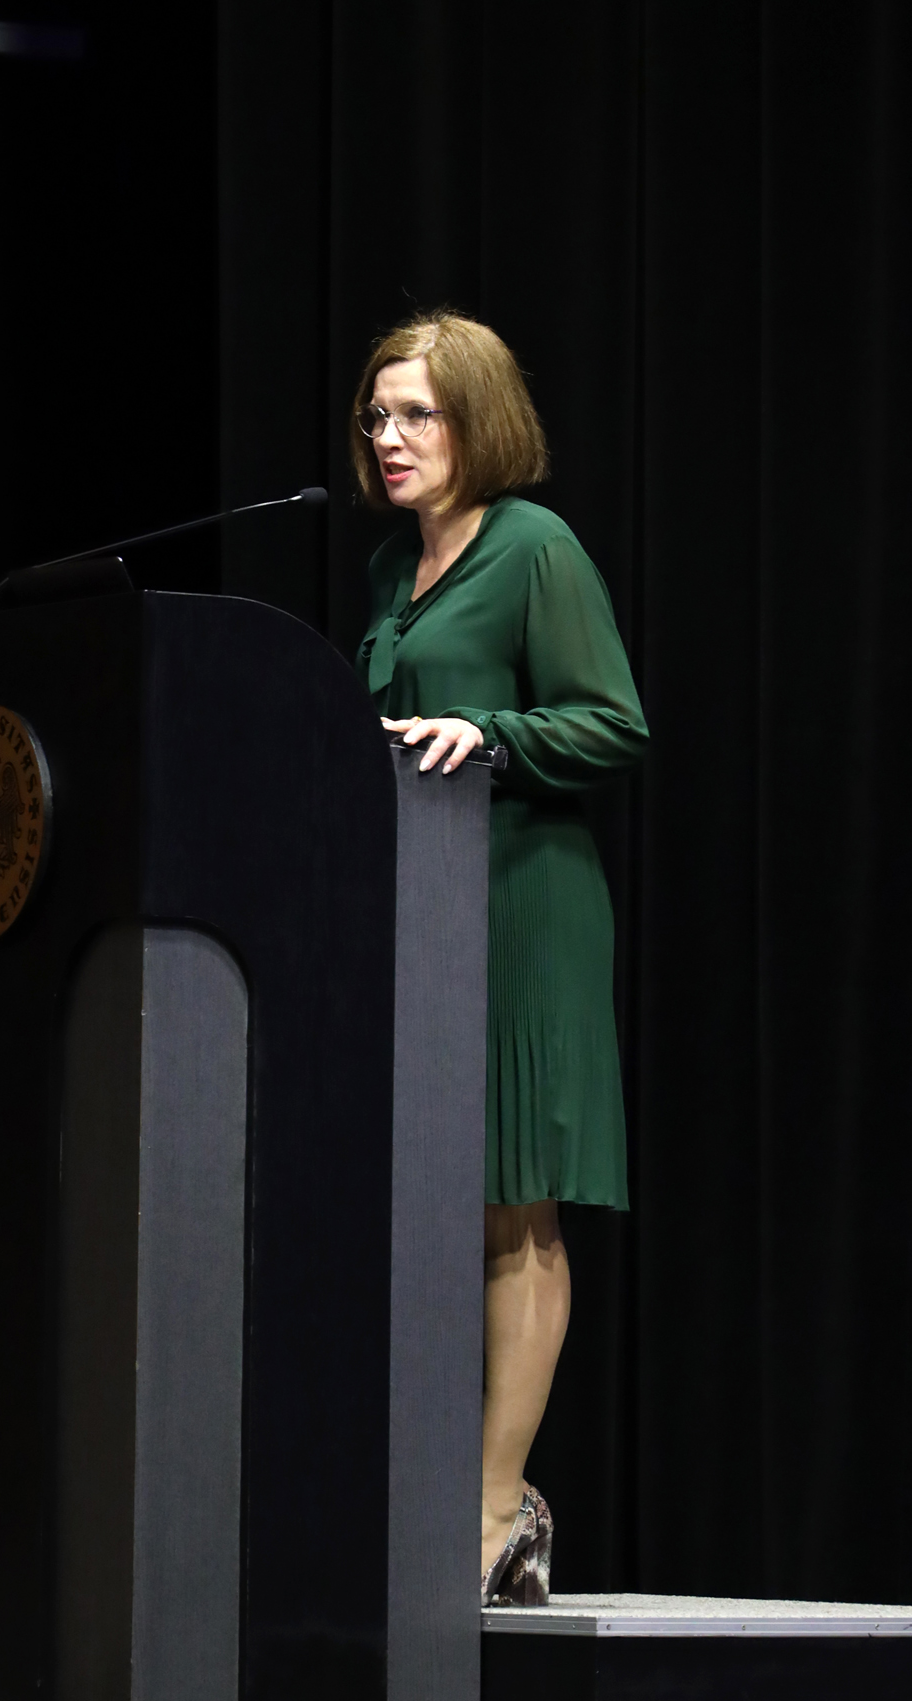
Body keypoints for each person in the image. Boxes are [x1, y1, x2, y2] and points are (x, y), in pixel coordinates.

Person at [351, 311, 648, 1604]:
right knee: (443, 1205)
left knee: (516, 1207)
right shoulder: (392, 568)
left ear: (478, 420)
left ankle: (493, 1509)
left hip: (525, 906)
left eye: (417, 413)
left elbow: (615, 723)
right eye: (377, 416)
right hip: (422, 909)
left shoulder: (535, 548)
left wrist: (494, 731)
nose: (390, 436)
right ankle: (457, 1499)